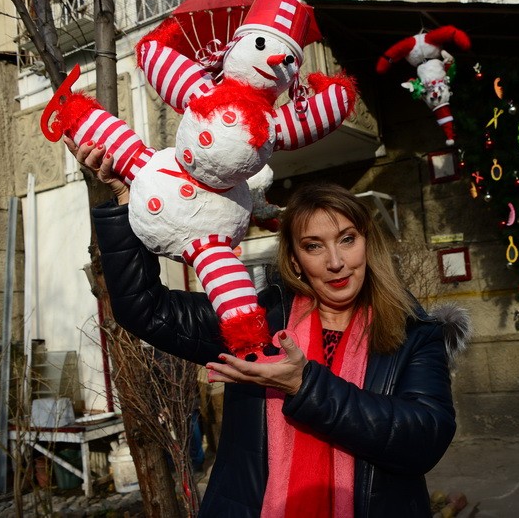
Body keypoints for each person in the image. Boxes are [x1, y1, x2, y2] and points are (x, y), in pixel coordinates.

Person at [69, 138, 470, 517]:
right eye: (314, 246)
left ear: (366, 244)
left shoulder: (414, 332)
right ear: (295, 261)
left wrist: (303, 386)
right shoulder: (254, 321)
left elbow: (425, 440)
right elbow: (145, 309)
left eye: (347, 239)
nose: (336, 262)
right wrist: (127, 198)